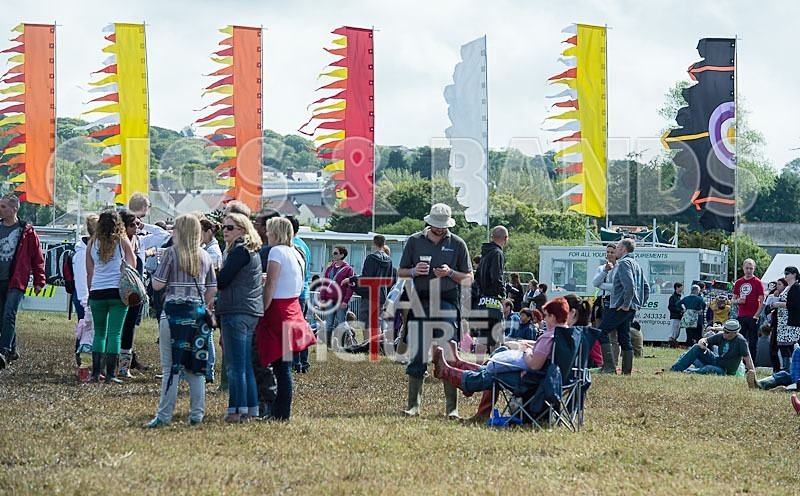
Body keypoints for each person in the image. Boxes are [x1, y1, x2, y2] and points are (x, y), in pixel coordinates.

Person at [397, 203, 473, 418]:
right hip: (420, 300)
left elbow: (468, 278)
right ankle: (414, 406)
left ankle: (452, 409)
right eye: (436, 226)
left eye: (443, 227)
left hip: (447, 301)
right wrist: (413, 271)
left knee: (447, 353)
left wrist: (450, 273)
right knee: (418, 353)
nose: (440, 230)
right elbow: (400, 272)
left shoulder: (458, 244)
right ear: (428, 222)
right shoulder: (414, 241)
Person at [144, 215, 217, 428]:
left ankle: (164, 416)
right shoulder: (205, 255)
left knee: (171, 367)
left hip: (174, 314)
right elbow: (212, 287)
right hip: (197, 315)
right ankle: (196, 415)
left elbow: (157, 285)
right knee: (196, 367)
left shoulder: (172, 254)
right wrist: (203, 300)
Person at [431, 298, 570, 396]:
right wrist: (532, 345)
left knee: (492, 375)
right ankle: (458, 365)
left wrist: (526, 350)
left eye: (546, 316)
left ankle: (448, 373)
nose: (544, 319)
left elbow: (534, 365)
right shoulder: (566, 334)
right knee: (491, 369)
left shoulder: (549, 337)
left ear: (553, 316)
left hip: (532, 381)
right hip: (556, 381)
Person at [256, 217, 316, 421]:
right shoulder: (296, 253)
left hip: (277, 311)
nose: (267, 235)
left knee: (280, 367)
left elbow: (271, 283)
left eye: (270, 231)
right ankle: (281, 411)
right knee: (285, 365)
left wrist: (262, 308)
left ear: (275, 233)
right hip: (292, 308)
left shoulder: (277, 251)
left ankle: (279, 412)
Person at [216, 212, 264, 423]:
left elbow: (223, 280)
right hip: (250, 310)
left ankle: (236, 410)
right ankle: (251, 409)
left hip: (236, 309)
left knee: (235, 365)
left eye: (230, 227)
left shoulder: (239, 251)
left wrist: (215, 273)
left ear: (243, 230)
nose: (225, 231)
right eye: (224, 227)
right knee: (244, 364)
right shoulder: (252, 250)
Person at [85, 210, 137, 383]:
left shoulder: (92, 243)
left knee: (99, 333)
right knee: (115, 334)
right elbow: (132, 264)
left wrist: (89, 292)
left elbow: (89, 272)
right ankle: (111, 375)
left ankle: (95, 374)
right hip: (117, 292)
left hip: (97, 292)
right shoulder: (122, 241)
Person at [0, 194, 45, 369]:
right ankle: (12, 348)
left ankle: (3, 351)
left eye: (3, 207)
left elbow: (37, 258)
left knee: (9, 314)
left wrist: (39, 280)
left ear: (14, 209)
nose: (0, 210)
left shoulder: (26, 231)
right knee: (2, 317)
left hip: (16, 280)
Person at [598, 238, 649, 375]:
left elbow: (630, 286)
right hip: (631, 307)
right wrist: (638, 304)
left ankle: (609, 367)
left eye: (618, 248)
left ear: (624, 250)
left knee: (601, 332)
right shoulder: (637, 265)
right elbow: (646, 287)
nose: (615, 251)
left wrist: (626, 304)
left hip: (620, 306)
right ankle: (626, 371)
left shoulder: (623, 264)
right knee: (624, 337)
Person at [343, 234, 394, 341]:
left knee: (365, 322)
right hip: (381, 295)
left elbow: (366, 277)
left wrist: (351, 279)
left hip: (369, 295)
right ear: (384, 244)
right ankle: (378, 345)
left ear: (373, 243)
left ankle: (366, 345)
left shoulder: (371, 258)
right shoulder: (389, 260)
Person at [669, 319, 755, 376]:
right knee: (696, 347)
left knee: (708, 369)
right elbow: (704, 340)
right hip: (716, 361)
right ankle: (675, 369)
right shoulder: (721, 336)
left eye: (727, 332)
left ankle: (688, 371)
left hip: (725, 370)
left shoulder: (741, 341)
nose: (724, 333)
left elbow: (748, 359)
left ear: (734, 333)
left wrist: (752, 374)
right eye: (724, 331)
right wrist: (703, 343)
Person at [472, 226, 508, 358]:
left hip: (482, 299)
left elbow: (476, 279)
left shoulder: (485, 254)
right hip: (493, 300)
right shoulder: (497, 253)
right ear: (506, 238)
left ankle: (478, 367)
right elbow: (496, 276)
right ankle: (493, 369)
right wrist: (503, 295)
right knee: (497, 339)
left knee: (483, 336)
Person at [592, 243, 621, 367]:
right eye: (607, 252)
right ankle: (602, 362)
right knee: (600, 333)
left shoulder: (620, 268)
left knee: (613, 336)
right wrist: (605, 271)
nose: (609, 254)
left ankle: (613, 363)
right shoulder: (601, 268)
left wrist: (602, 285)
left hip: (613, 303)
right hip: (601, 303)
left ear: (617, 254)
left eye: (612, 252)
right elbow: (595, 282)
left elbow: (616, 288)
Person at [319, 244, 354, 347]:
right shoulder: (330, 268)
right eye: (333, 253)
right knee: (329, 323)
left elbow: (350, 287)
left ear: (342, 255)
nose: (333, 255)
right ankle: (328, 345)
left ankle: (341, 345)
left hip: (341, 301)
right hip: (329, 300)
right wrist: (323, 298)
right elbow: (324, 283)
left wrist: (345, 301)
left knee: (341, 323)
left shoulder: (348, 269)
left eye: (335, 253)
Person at [732, 258, 765, 361]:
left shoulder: (758, 282)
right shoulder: (738, 282)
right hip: (741, 315)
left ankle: (751, 365)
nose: (749, 271)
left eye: (751, 268)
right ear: (743, 268)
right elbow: (733, 299)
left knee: (752, 342)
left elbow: (763, 301)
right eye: (747, 268)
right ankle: (740, 362)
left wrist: (757, 315)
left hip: (753, 316)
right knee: (740, 340)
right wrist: (738, 301)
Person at [768, 266, 800, 371]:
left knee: (789, 348)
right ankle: (786, 369)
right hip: (782, 322)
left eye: (788, 273)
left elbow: (795, 304)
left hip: (790, 323)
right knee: (782, 347)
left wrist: (779, 304)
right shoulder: (787, 287)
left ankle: (789, 369)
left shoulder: (796, 287)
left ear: (794, 274)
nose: (785, 275)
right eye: (785, 273)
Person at [667, 282, 684, 348]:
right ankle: (671, 344)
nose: (682, 289)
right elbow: (670, 307)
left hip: (678, 317)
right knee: (673, 332)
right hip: (675, 317)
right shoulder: (673, 297)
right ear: (677, 288)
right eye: (681, 287)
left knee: (676, 332)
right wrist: (680, 311)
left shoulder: (678, 297)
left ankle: (673, 344)